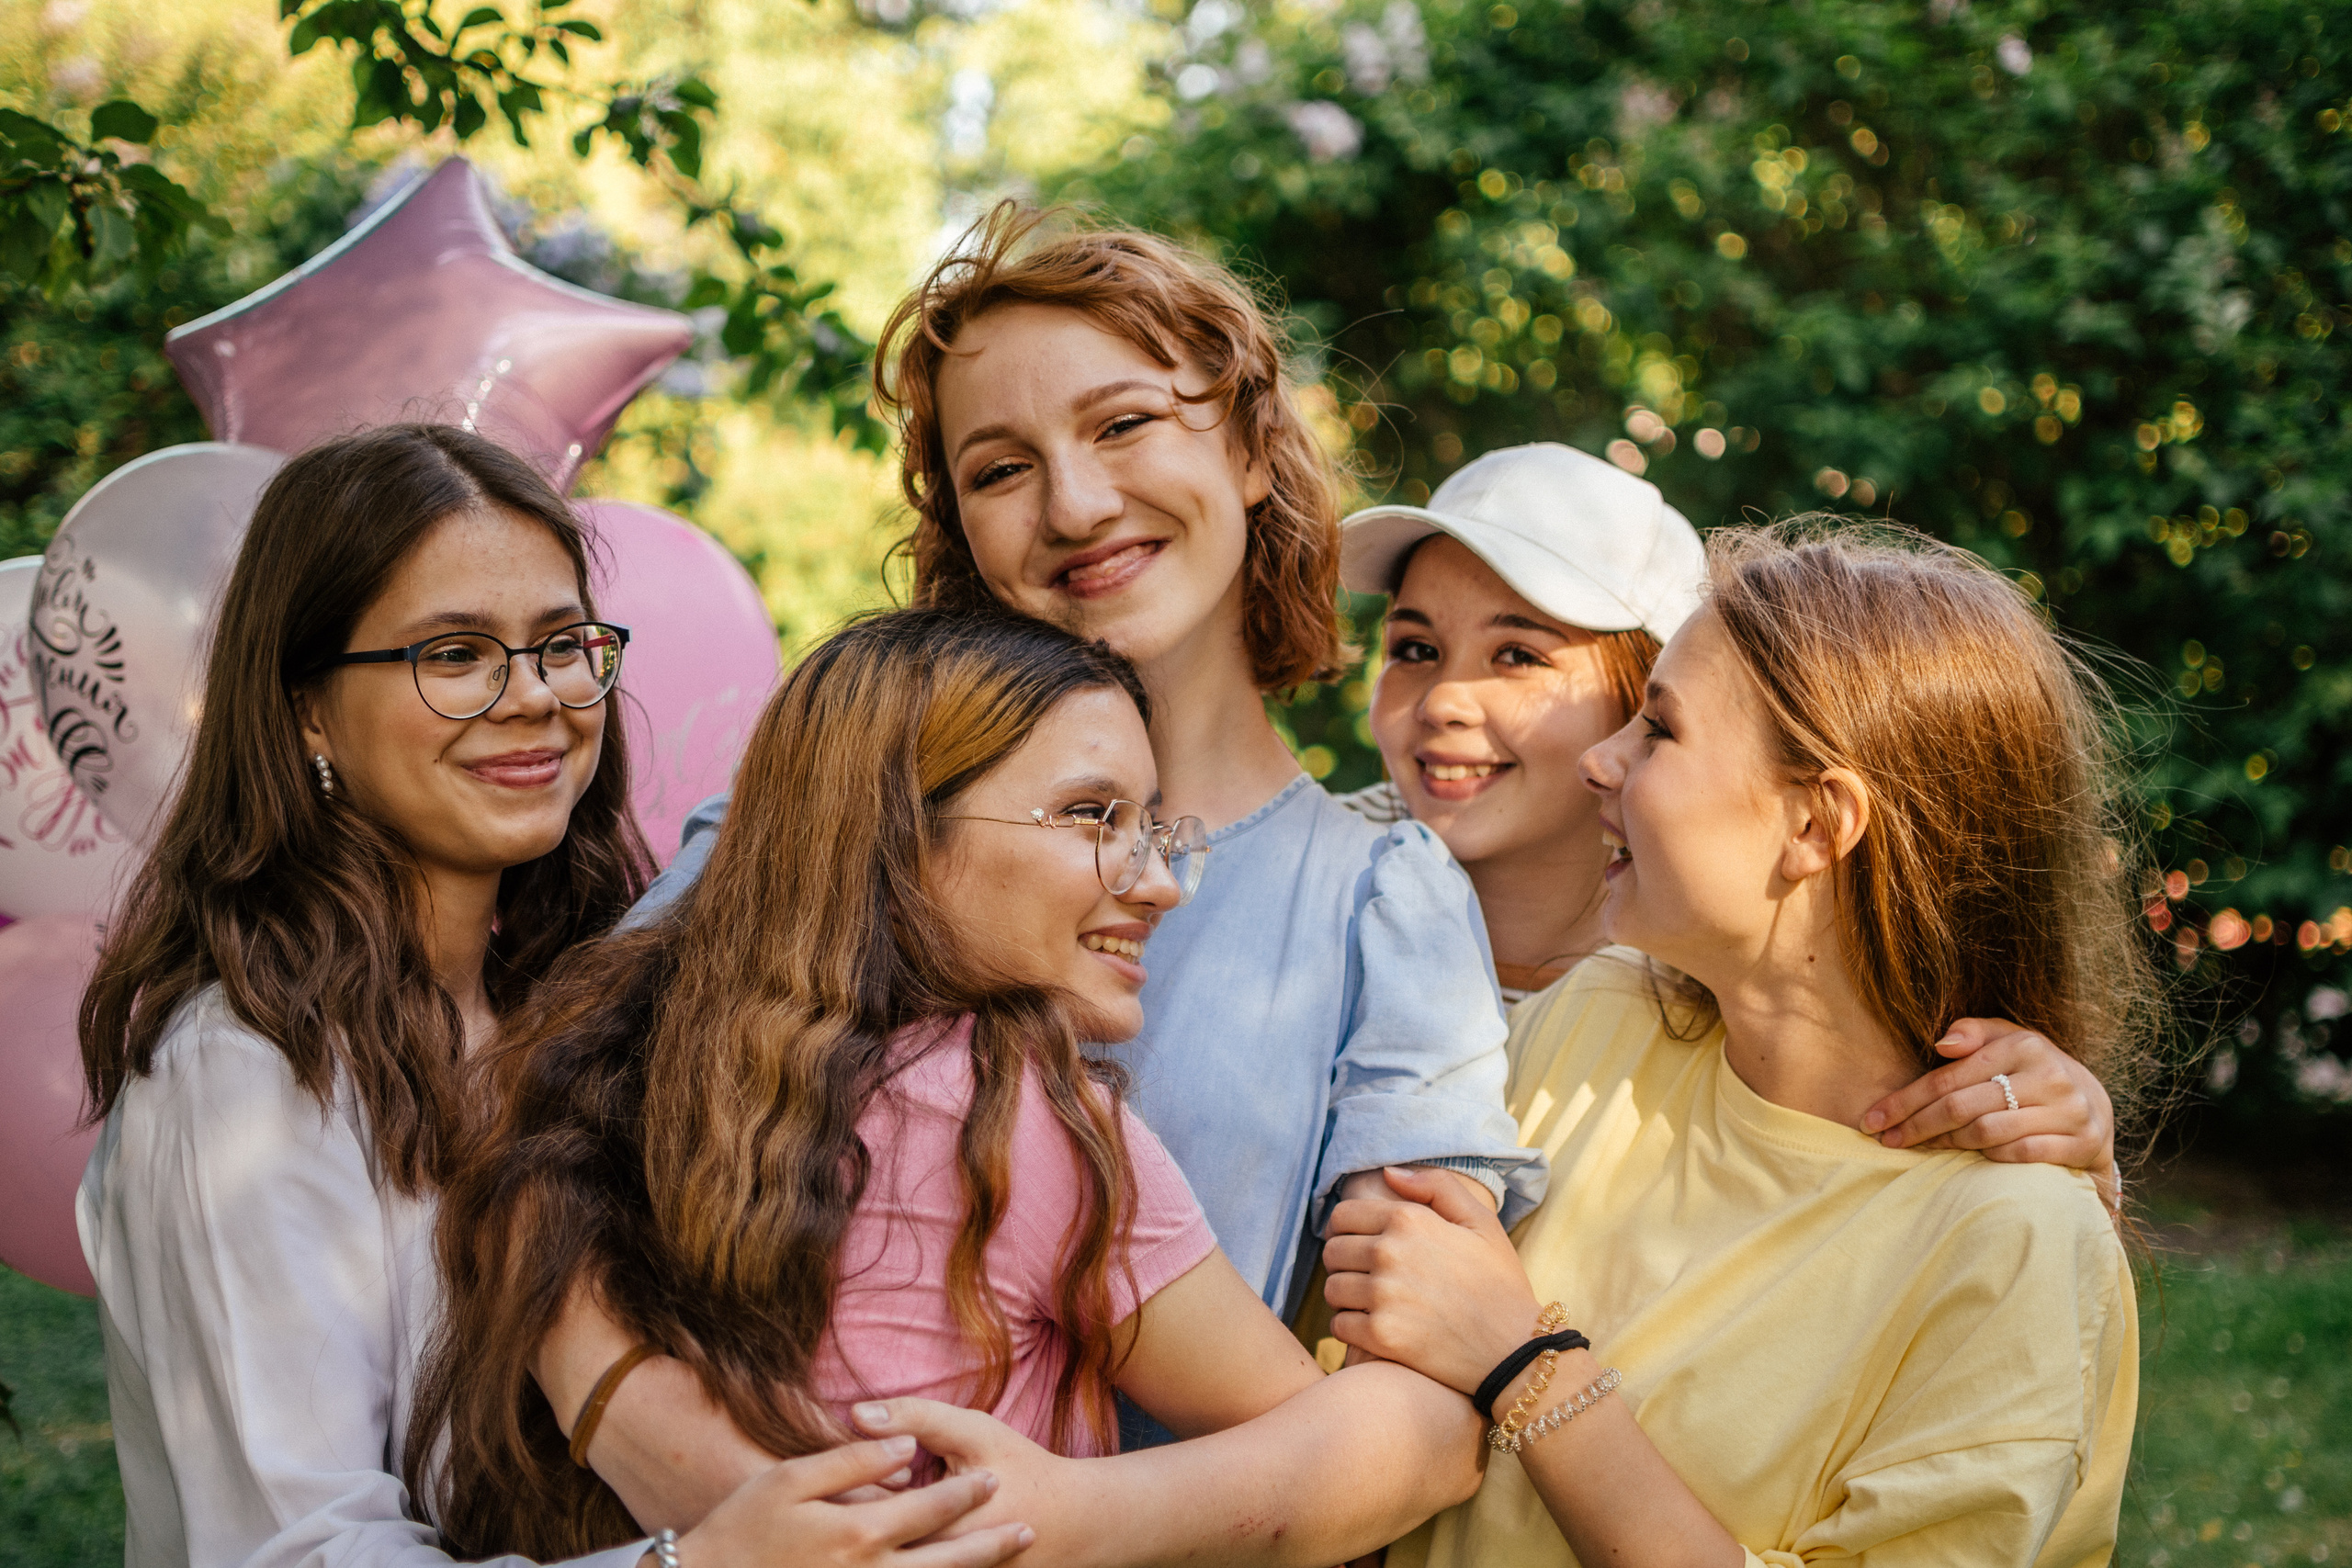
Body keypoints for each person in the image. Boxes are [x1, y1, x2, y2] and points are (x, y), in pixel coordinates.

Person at [74, 425, 1027, 1568]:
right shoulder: (244, 1071)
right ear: (306, 710)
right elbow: (296, 1552)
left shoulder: (575, 1006)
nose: (533, 699)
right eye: (454, 654)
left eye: (561, 645)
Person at [621, 204, 1542, 1331]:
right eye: (1002, 469)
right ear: (960, 526)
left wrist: (1066, 1517)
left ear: (1250, 449)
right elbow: (548, 1157)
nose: (1075, 505)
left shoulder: (1381, 905)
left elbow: (1418, 1378)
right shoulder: (833, 807)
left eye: (1123, 425)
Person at [416, 607, 1487, 1566]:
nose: (1158, 882)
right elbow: (1375, 1462)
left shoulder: (605, 1071)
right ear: (893, 838)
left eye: (1151, 825)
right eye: (1090, 817)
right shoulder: (999, 1107)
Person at [1319, 521, 2151, 1565]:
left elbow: (1472, 1333)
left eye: (1658, 731)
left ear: (1816, 825)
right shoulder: (1602, 1015)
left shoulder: (2012, 1240)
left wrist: (1528, 1366)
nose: (1600, 760)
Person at [1337, 441, 2120, 1182]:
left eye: (1517, 656)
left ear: (1644, 692)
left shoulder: (1721, 964)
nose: (1442, 700)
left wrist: (2063, 1118)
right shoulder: (1312, 869)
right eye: (1412, 648)